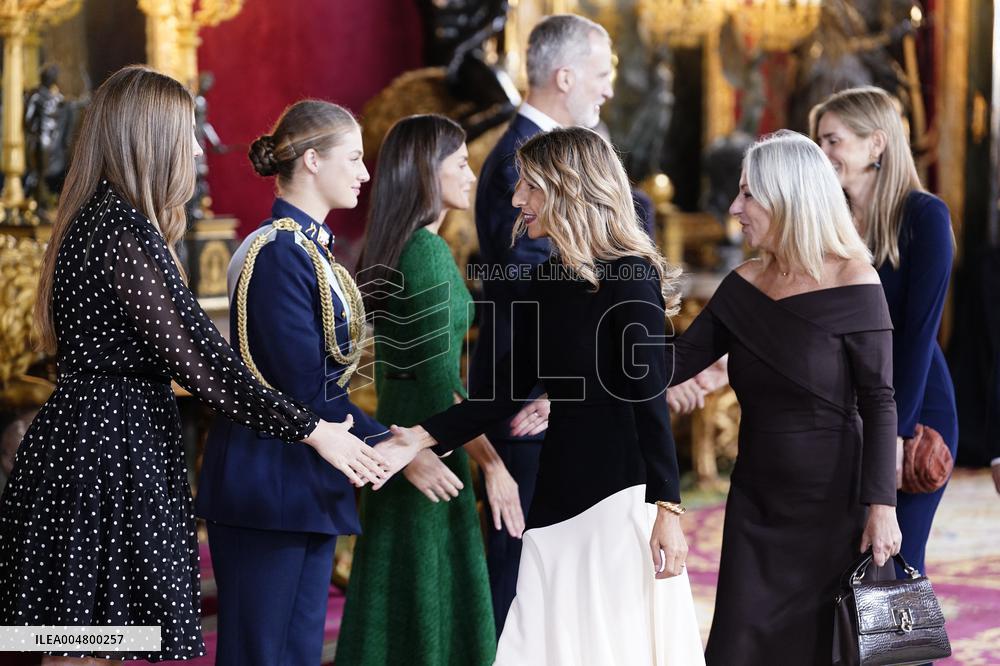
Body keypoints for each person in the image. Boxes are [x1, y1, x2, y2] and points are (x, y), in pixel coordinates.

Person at [0, 67, 386, 665]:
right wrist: (311, 430)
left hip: (103, 443)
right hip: (106, 455)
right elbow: (209, 365)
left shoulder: (103, 222)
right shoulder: (122, 231)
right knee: (82, 650)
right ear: (148, 138)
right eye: (183, 135)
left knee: (89, 646)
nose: (192, 149)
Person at [376, 126, 705, 666]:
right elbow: (503, 392)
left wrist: (666, 508)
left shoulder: (630, 276)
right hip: (555, 496)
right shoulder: (550, 276)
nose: (515, 199)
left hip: (619, 501)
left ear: (565, 187)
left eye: (527, 185)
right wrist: (419, 436)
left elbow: (649, 401)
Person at [665, 130, 902, 665]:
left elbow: (880, 401)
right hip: (756, 504)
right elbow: (670, 367)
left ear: (789, 197)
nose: (733, 208)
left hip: (835, 508)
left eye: (748, 194)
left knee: (825, 648)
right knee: (739, 647)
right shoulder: (744, 284)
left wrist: (882, 507)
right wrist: (615, 309)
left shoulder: (855, 278)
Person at [194, 100, 392, 666]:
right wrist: (393, 444)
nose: (364, 172)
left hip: (303, 482)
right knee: (265, 654)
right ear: (310, 161)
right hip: (269, 486)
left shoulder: (308, 248)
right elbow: (303, 386)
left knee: (295, 654)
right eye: (353, 158)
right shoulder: (280, 251)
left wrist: (397, 440)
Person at [338, 114, 524, 665]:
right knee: (428, 611)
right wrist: (491, 463)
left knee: (403, 608)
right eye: (461, 164)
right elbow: (442, 385)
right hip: (429, 456)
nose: (473, 176)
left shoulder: (407, 248)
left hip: (414, 448)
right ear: (426, 172)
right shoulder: (428, 255)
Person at [469, 13, 613, 635]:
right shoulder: (517, 163)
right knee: (520, 561)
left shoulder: (549, 154)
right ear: (566, 75)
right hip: (528, 390)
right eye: (602, 74)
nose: (608, 89)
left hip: (552, 389)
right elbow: (532, 287)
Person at [811, 86, 958, 578]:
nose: (823, 153)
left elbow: (918, 337)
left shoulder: (924, 216)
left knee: (892, 572)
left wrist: (895, 435)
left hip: (914, 409)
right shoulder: (828, 222)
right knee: (841, 570)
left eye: (834, 140)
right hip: (845, 408)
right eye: (819, 141)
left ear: (876, 144)